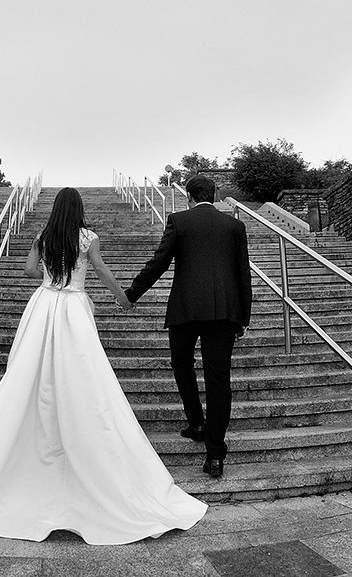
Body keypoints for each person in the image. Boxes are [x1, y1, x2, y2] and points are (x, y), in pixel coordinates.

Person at [0, 187, 205, 544]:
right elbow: (99, 269)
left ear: (56, 208)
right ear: (79, 209)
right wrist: (123, 297)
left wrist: (49, 277)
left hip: (43, 305)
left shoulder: (45, 235)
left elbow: (28, 269)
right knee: (83, 377)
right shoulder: (88, 238)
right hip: (73, 308)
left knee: (28, 376)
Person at [125, 175, 251, 479]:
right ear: (215, 195)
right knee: (219, 380)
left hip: (186, 309)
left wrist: (131, 295)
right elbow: (243, 274)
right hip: (224, 312)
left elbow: (159, 262)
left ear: (188, 197)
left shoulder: (179, 221)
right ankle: (215, 454)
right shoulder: (234, 226)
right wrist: (243, 317)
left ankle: (196, 423)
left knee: (181, 363)